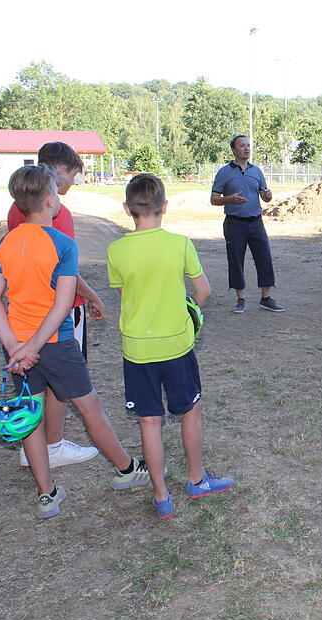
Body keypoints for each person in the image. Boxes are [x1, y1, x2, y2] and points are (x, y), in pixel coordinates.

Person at [0, 165, 151, 519]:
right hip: (54, 343)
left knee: (30, 412)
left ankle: (47, 493)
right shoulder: (63, 244)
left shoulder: (5, 243)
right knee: (90, 407)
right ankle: (126, 468)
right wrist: (32, 347)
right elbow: (62, 304)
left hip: (18, 346)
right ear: (48, 200)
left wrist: (15, 346)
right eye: (56, 193)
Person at [108, 173, 235, 519]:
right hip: (176, 346)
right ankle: (197, 479)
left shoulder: (116, 250)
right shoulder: (180, 244)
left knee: (149, 422)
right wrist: (189, 309)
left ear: (127, 209)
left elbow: (125, 294)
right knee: (189, 410)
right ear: (164, 206)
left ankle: (161, 495)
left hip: (136, 350)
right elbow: (204, 291)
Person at [8, 142, 105, 469]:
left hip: (23, 314)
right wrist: (92, 296)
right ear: (59, 170)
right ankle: (53, 444)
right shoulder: (55, 213)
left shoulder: (18, 207)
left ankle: (32, 446)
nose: (74, 184)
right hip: (57, 314)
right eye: (74, 174)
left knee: (34, 384)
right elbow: (65, 271)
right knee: (63, 383)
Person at [209, 135, 284, 314]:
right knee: (236, 260)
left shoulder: (256, 171)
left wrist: (268, 196)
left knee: (264, 257)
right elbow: (213, 199)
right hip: (235, 223)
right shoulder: (224, 172)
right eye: (242, 146)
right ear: (234, 149)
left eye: (249, 146)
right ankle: (240, 299)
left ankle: (266, 298)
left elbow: (266, 195)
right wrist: (230, 200)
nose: (247, 149)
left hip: (256, 222)